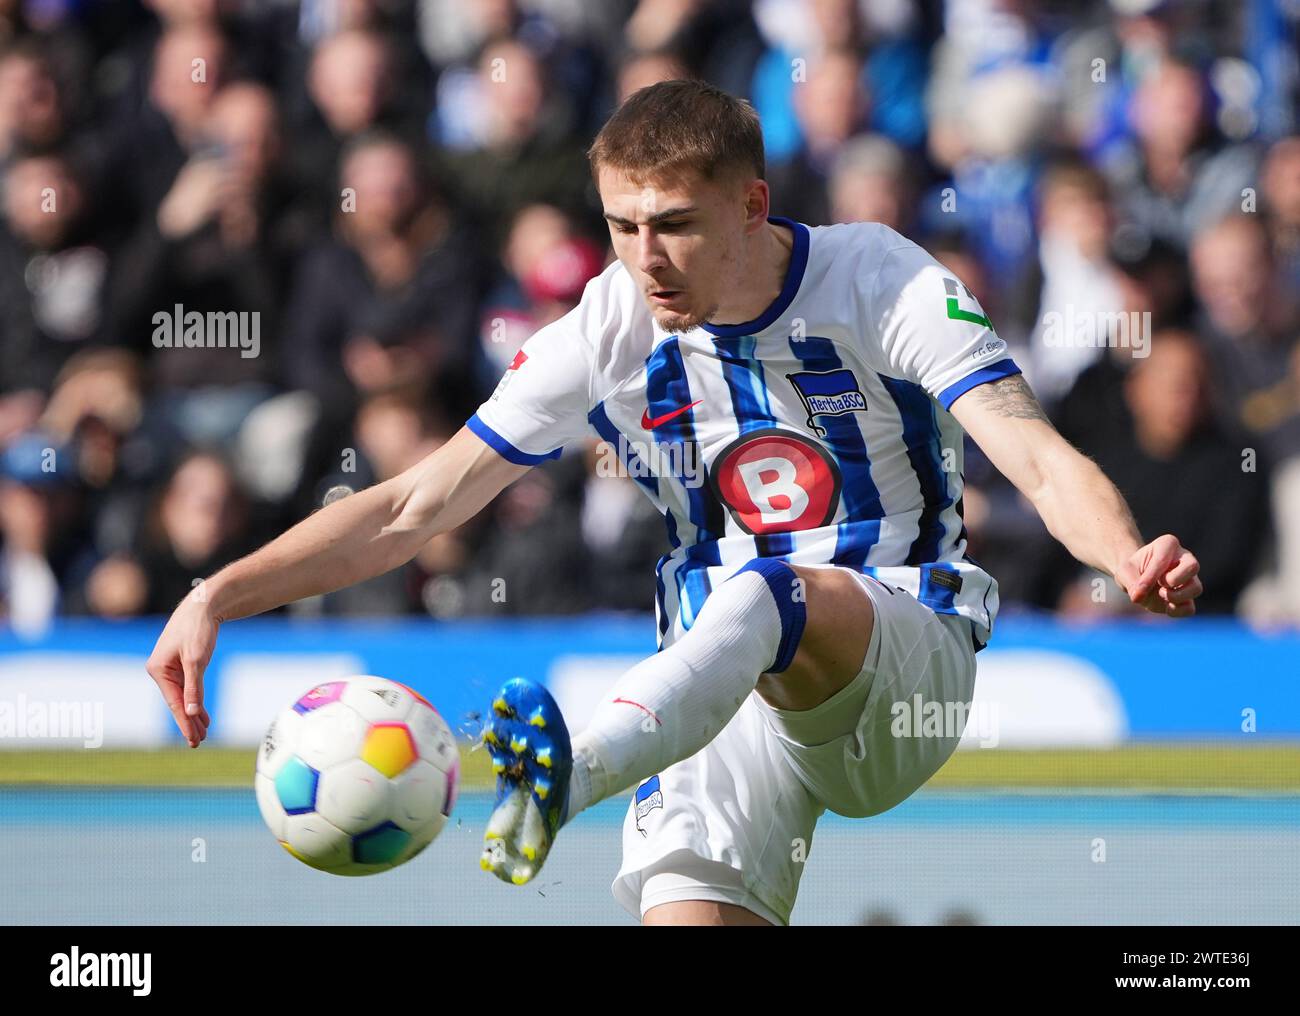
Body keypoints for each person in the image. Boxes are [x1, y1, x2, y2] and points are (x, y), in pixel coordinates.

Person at [146, 81, 1203, 926]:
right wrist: (218, 592)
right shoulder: (609, 324)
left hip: (896, 652)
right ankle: (583, 766)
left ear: (750, 204)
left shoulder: (878, 280)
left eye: (674, 225)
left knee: (768, 593)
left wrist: (1126, 551)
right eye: (622, 225)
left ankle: (563, 775)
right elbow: (412, 505)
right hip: (710, 693)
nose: (645, 258)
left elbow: (1032, 452)